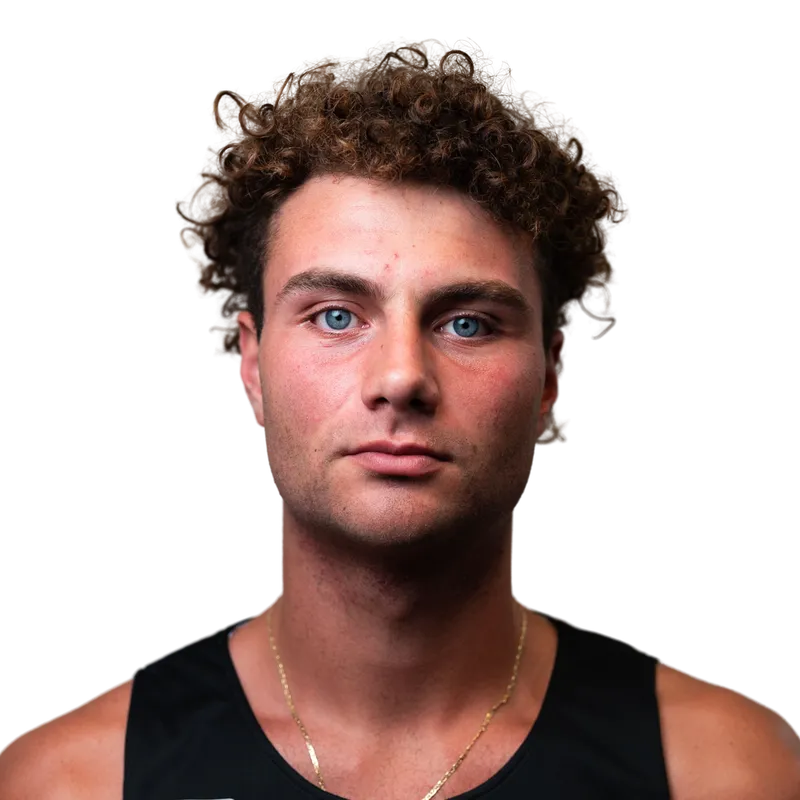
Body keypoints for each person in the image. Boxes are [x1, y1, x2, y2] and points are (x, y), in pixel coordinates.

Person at [2, 35, 797, 800]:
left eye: (467, 323)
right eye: (337, 316)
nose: (402, 377)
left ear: (551, 377)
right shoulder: (69, 784)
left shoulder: (728, 774)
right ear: (251, 364)